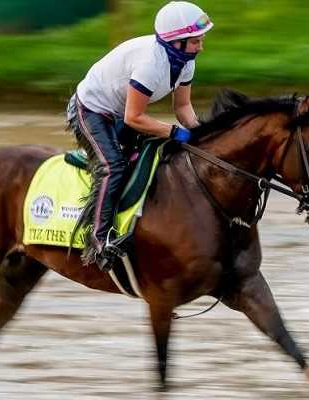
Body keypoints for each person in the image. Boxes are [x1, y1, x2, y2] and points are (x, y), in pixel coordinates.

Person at [67, 1, 213, 271]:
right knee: (113, 166)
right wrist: (175, 132)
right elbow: (133, 118)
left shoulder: (185, 61)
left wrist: (202, 135)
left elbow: (182, 108)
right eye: (195, 41)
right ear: (176, 42)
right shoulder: (150, 65)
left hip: (121, 112)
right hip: (90, 111)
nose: (200, 47)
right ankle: (98, 240)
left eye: (201, 40)